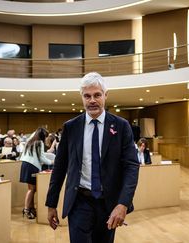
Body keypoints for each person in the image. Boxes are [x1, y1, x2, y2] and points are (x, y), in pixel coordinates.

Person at [45, 72, 139, 243]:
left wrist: (123, 203)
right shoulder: (71, 127)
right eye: (87, 96)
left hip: (108, 203)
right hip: (79, 201)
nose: (92, 100)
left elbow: (131, 166)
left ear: (105, 95)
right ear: (82, 97)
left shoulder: (121, 126)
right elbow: (60, 167)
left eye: (97, 95)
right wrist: (51, 204)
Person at [20, 127, 53, 219]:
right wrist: (52, 162)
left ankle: (31, 208)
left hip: (25, 165)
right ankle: (26, 210)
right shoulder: (40, 143)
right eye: (46, 136)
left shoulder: (30, 141)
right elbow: (42, 158)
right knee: (32, 189)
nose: (46, 138)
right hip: (32, 166)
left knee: (31, 189)